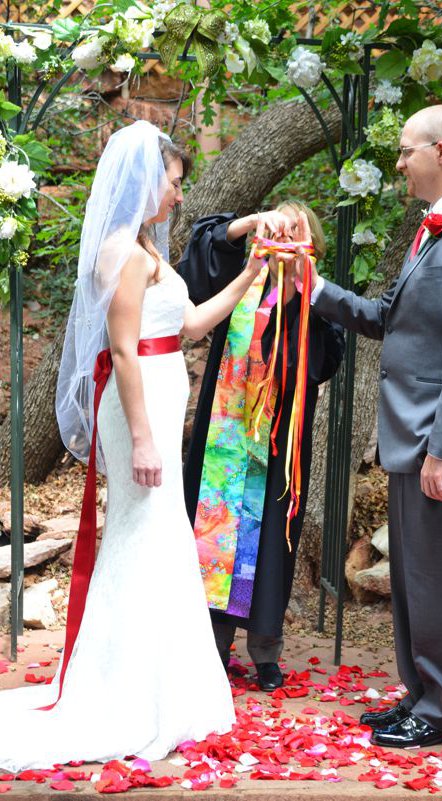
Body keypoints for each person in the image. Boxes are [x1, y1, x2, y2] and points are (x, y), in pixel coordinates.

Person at [0, 120, 267, 771]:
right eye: (174, 183)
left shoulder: (148, 249)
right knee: (142, 536)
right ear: (147, 180)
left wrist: (251, 273)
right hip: (134, 410)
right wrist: (144, 438)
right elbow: (121, 349)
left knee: (160, 538)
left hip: (155, 393)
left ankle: (161, 686)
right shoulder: (123, 251)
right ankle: (125, 692)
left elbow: (189, 324)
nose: (179, 196)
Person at [299, 105, 442, 747]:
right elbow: (389, 316)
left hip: (439, 442)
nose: (397, 163)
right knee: (416, 578)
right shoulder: (434, 230)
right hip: (411, 435)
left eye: (404, 151)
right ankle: (422, 695)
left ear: (441, 151)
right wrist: (310, 285)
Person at [178, 202, 345, 691]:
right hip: (224, 439)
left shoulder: (315, 295)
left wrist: (300, 296)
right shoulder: (240, 283)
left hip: (278, 441)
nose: (284, 237)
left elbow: (325, 362)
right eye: (279, 227)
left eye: (295, 230)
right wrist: (251, 225)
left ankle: (265, 652)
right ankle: (214, 645)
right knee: (216, 528)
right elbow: (203, 249)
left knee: (271, 534)